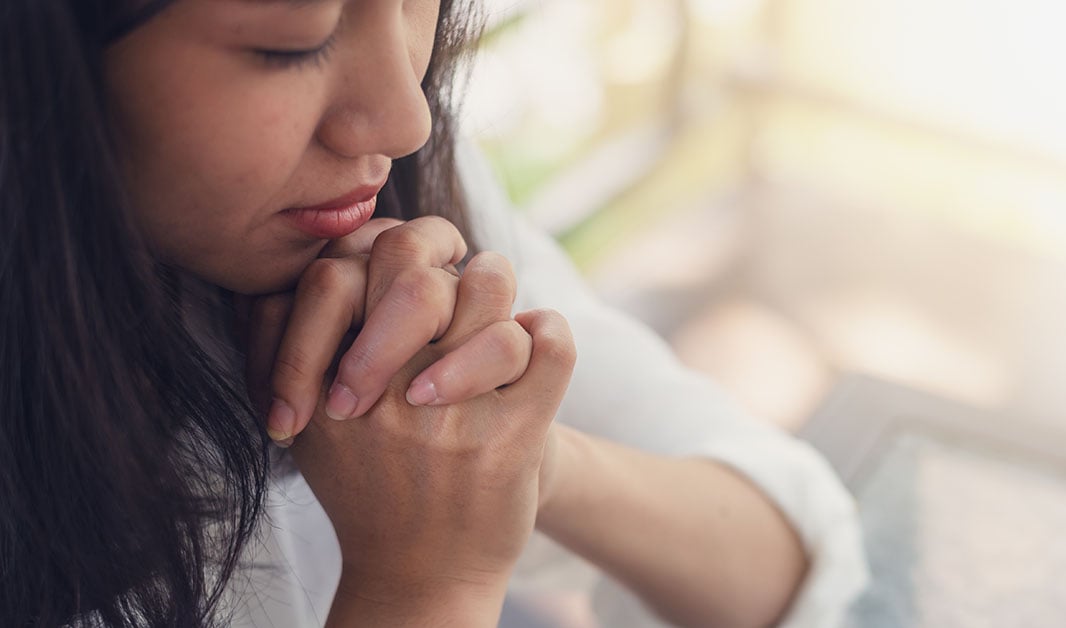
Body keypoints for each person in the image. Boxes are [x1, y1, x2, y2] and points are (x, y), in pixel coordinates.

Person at [0, 1, 867, 627]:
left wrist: (504, 459)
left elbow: (789, 574)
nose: (405, 116)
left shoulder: (389, 214)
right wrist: (422, 586)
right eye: (287, 43)